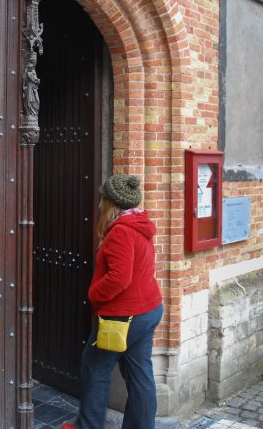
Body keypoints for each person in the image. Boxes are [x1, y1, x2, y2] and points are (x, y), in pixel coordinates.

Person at [63, 174, 164, 429]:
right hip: (148, 310)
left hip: (123, 317)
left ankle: (88, 426)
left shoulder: (121, 232)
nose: (99, 204)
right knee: (140, 374)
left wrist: (94, 294)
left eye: (102, 199)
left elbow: (119, 278)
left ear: (111, 203)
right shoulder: (140, 224)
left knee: (95, 368)